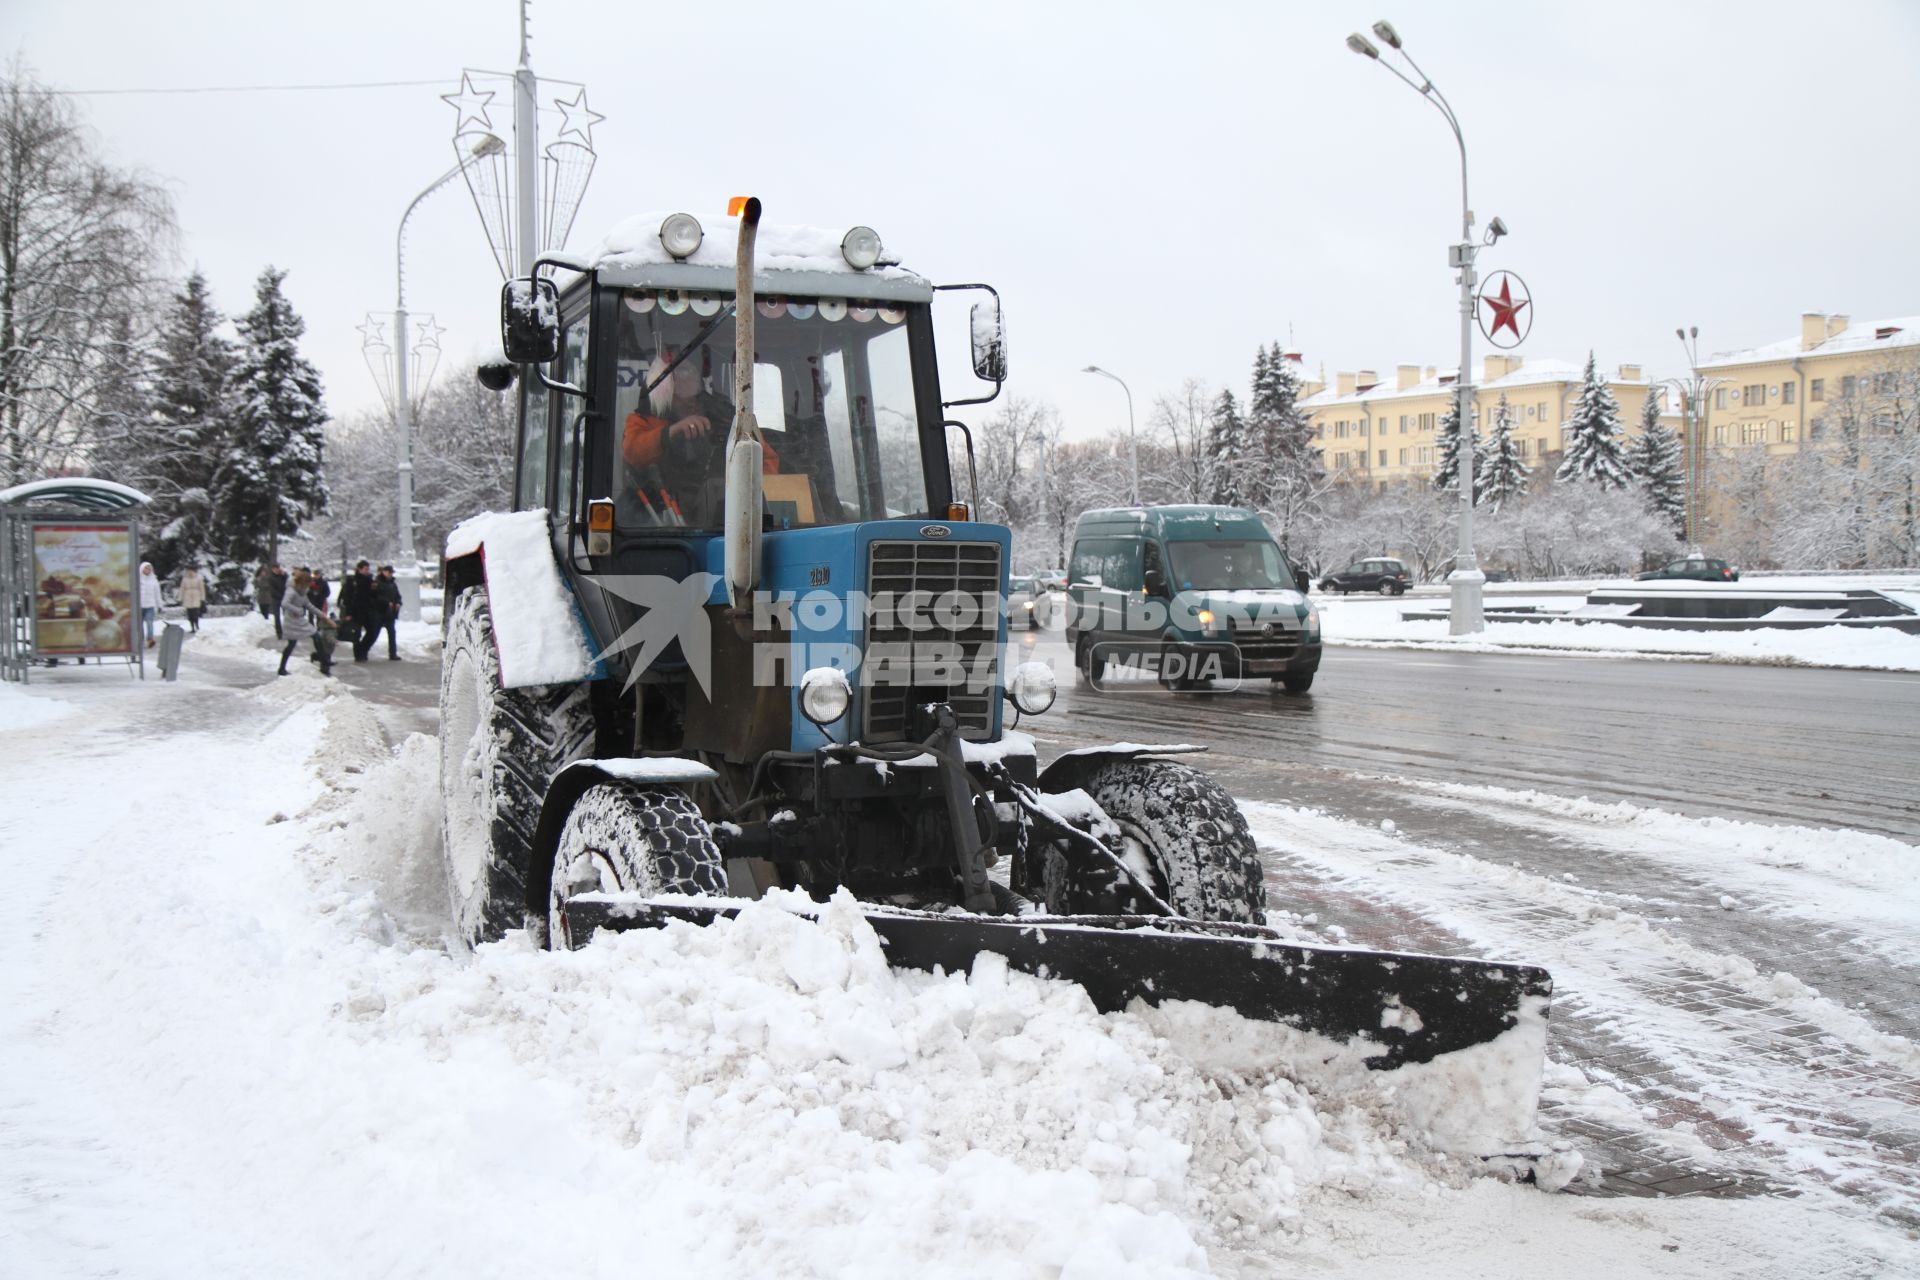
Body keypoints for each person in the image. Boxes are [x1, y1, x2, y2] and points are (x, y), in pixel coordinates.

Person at [621, 346, 779, 526]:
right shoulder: (643, 419)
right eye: (674, 371)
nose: (682, 376)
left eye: (687, 369)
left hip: (725, 516)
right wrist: (671, 433)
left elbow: (766, 459)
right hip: (660, 519)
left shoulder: (726, 415)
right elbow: (633, 453)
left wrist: (750, 494)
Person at [278, 568, 335, 676]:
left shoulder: (302, 592)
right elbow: (284, 603)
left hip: (299, 619)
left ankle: (323, 659)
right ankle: (281, 669)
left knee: (315, 636)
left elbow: (309, 606)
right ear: (302, 582)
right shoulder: (291, 590)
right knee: (291, 644)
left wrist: (323, 616)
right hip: (291, 620)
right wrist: (297, 610)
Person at [341, 560, 378, 662]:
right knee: (356, 634)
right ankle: (358, 655)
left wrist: (374, 589)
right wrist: (348, 613)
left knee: (372, 632)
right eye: (365, 569)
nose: (367, 571)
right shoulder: (352, 581)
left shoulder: (369, 580)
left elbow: (373, 596)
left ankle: (363, 649)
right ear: (359, 569)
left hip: (367, 610)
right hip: (355, 611)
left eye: (367, 569)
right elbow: (347, 597)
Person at [371, 564, 403, 660]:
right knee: (374, 634)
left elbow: (397, 595)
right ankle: (363, 651)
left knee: (392, 633)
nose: (390, 574)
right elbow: (375, 597)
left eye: (391, 573)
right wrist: (386, 602)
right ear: (384, 572)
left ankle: (393, 653)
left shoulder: (392, 583)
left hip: (390, 613)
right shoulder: (377, 583)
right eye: (389, 572)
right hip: (380, 612)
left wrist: (398, 602)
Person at [178, 566, 208, 633]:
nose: (190, 572)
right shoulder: (185, 579)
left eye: (191, 571)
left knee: (196, 613)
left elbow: (202, 589)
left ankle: (197, 625)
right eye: (188, 571)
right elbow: (182, 589)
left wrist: (202, 598)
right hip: (187, 597)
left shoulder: (199, 578)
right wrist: (180, 598)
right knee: (190, 614)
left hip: (196, 597)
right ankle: (192, 627)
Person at [138, 561, 160, 647]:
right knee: (139, 624)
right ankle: (141, 640)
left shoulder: (154, 580)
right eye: (146, 568)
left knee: (149, 623)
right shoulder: (138, 580)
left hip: (150, 605)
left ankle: (150, 639)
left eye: (149, 569)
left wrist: (159, 605)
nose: (148, 570)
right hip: (139, 606)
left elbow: (157, 593)